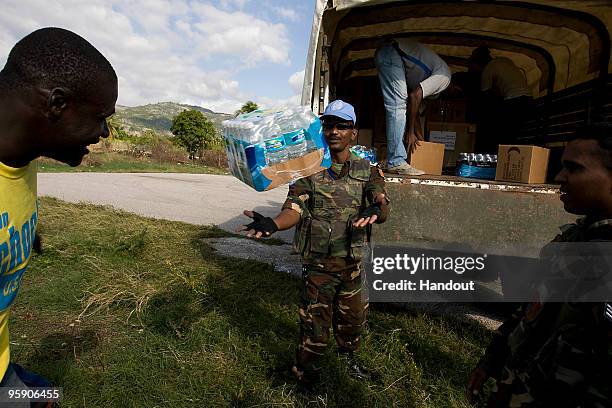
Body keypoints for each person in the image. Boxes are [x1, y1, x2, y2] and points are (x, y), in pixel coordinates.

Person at [239, 100, 390, 393]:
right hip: (319, 267)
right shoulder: (307, 169)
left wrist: (377, 207)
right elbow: (294, 208)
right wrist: (273, 224)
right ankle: (305, 376)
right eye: (328, 125)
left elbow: (381, 206)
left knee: (353, 321)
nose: (334, 131)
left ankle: (349, 362)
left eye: (342, 126)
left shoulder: (367, 169)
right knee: (314, 327)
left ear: (353, 133)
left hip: (353, 266)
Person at [0, 27, 117, 403]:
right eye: (101, 117)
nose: (103, 133)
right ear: (56, 104)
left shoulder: (19, 159)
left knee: (50, 394)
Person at [466, 123, 612, 407]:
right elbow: (532, 310)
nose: (560, 177)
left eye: (575, 168)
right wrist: (493, 361)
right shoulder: (579, 236)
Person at [374, 38, 451, 175]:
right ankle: (396, 161)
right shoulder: (444, 79)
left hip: (392, 55)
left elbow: (414, 111)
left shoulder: (428, 84)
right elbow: (415, 97)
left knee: (401, 105)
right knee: (397, 106)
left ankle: (394, 158)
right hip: (392, 53)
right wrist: (410, 133)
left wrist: (421, 142)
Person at [468, 47, 533, 153]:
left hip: (514, 101)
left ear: (476, 64)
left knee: (498, 132)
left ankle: (500, 157)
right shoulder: (505, 61)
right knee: (511, 132)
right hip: (528, 100)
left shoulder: (488, 70)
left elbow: (486, 99)